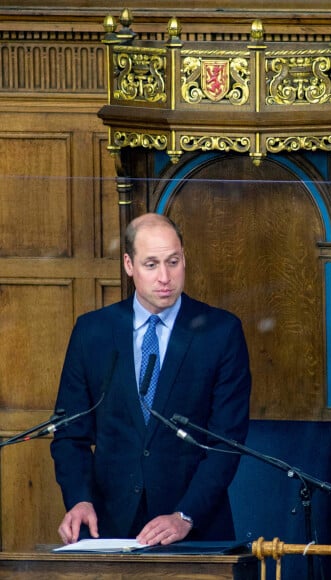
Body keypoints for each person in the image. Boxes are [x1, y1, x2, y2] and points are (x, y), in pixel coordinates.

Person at [51, 212, 251, 546]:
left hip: (195, 531)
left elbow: (226, 444)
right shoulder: (92, 332)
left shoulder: (221, 332)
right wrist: (79, 499)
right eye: (151, 264)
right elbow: (70, 435)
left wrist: (185, 515)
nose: (165, 277)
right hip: (109, 527)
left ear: (184, 257)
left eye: (173, 262)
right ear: (129, 265)